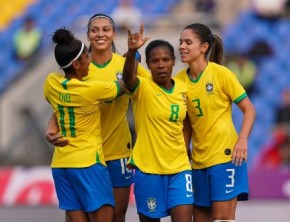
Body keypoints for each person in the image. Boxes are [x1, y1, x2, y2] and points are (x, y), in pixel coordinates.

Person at [45, 13, 149, 222]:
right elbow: (61, 109)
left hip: (116, 150)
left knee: (117, 214)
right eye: (95, 30)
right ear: (88, 35)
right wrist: (51, 129)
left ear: (113, 34)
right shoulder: (81, 67)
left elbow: (154, 91)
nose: (100, 33)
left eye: (105, 29)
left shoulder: (124, 65)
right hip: (87, 156)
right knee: (79, 216)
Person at [175, 23, 256, 222]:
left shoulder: (221, 74)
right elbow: (186, 123)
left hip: (225, 157)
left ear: (204, 47)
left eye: (188, 42)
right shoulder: (178, 81)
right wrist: (184, 150)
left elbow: (249, 109)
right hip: (198, 161)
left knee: (223, 218)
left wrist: (242, 140)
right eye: (180, 42)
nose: (182, 46)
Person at [43, 27, 125, 222]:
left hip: (61, 164)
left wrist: (51, 129)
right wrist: (128, 61)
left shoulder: (51, 83)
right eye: (87, 57)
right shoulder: (91, 90)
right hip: (88, 162)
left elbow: (59, 111)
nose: (90, 61)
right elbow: (125, 86)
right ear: (76, 63)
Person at [123, 24, 193, 222]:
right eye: (155, 61)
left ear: (173, 62)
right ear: (148, 64)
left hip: (179, 168)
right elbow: (128, 77)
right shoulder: (141, 87)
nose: (161, 65)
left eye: (165, 60)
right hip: (148, 169)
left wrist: (186, 146)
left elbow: (186, 122)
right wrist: (131, 51)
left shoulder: (182, 89)